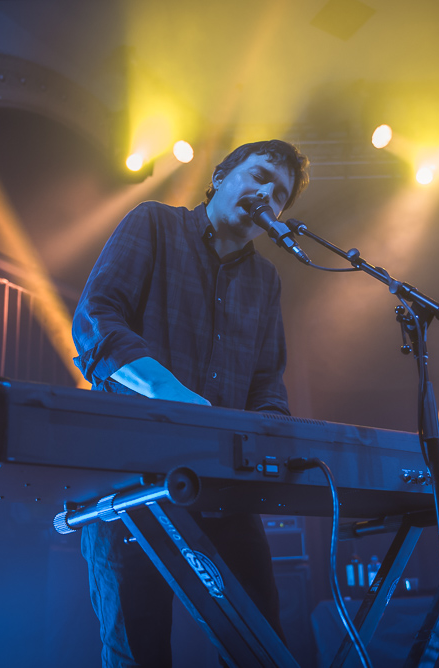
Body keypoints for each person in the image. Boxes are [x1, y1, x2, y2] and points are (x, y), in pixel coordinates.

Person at [71, 139, 310, 667]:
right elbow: (96, 319)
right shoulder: (154, 223)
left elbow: (267, 385)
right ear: (220, 177)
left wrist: (273, 438)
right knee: (139, 649)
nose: (267, 194)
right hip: (129, 478)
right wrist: (173, 395)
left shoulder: (266, 280)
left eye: (280, 194)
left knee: (261, 648)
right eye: (259, 176)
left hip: (223, 486)